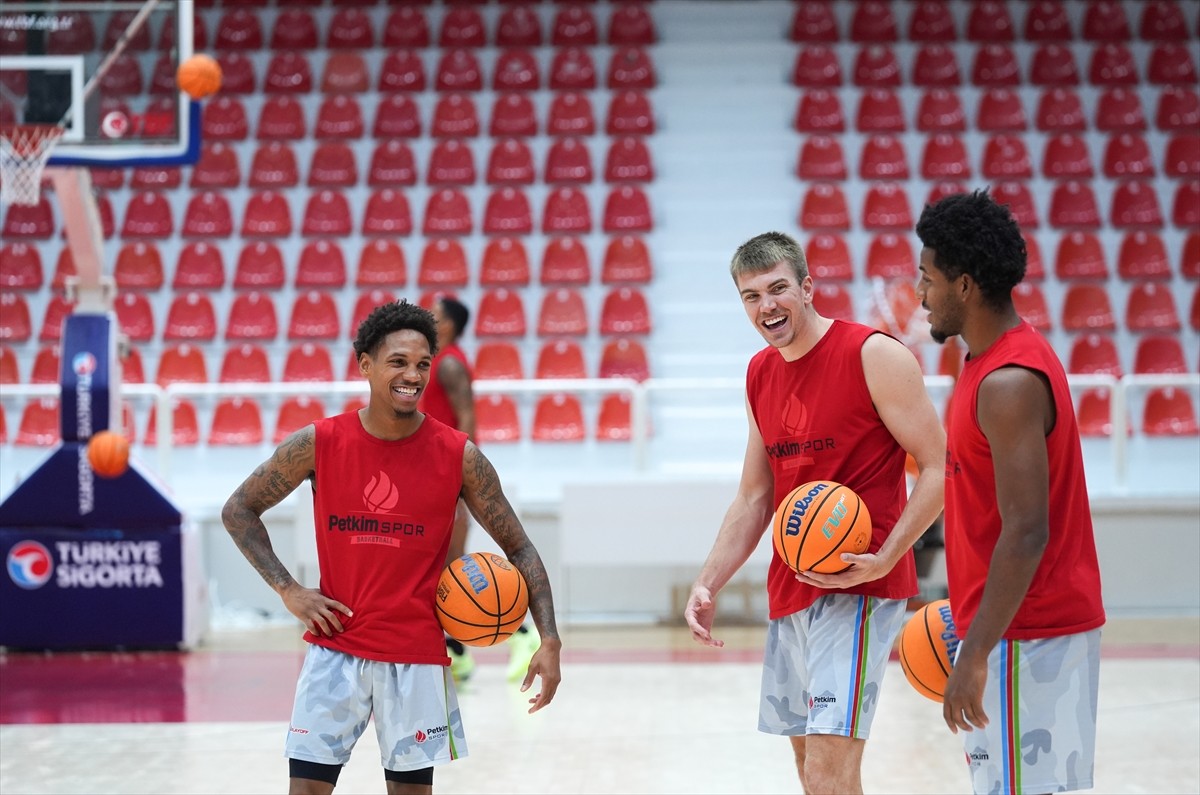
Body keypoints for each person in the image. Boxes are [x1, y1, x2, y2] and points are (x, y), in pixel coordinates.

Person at [222, 300, 562, 795]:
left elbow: (521, 549)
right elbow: (238, 511)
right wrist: (288, 590)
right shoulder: (319, 442)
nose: (413, 375)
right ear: (365, 364)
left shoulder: (459, 456)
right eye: (398, 362)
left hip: (416, 657)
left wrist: (549, 639)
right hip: (335, 648)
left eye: (422, 364)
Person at [684, 231, 946, 795]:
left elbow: (939, 467)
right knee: (813, 773)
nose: (766, 306)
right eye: (751, 297)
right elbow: (755, 496)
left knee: (829, 770)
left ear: (807, 287)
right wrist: (708, 581)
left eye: (778, 289)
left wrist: (885, 560)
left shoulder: (872, 354)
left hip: (857, 589)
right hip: (791, 586)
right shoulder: (759, 373)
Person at [915, 190, 1105, 795]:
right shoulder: (984, 363)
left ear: (965, 285)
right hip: (1015, 632)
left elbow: (1027, 531)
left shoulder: (1008, 382)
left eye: (927, 278)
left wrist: (973, 653)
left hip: (1029, 637)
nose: (920, 294)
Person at [420, 296, 541, 684]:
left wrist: (460, 479)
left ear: (450, 326)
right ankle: (457, 653)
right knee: (440, 571)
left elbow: (468, 420)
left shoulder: (451, 363)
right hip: (432, 477)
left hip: (448, 477)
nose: (427, 317)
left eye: (434, 315)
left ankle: (523, 635)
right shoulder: (432, 362)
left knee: (453, 569)